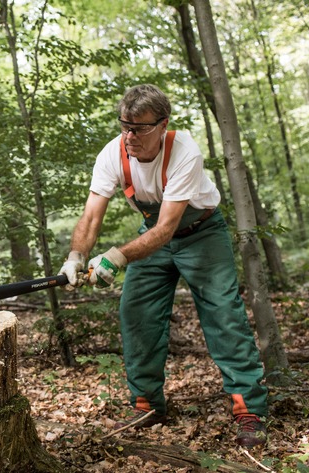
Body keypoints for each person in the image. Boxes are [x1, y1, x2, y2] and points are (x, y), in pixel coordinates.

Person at [59, 84, 268, 447]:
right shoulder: (112, 154)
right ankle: (147, 404)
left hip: (200, 233)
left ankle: (248, 409)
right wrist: (76, 256)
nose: (129, 136)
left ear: (162, 124)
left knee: (223, 315)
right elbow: (91, 217)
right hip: (151, 236)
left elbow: (167, 228)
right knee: (135, 312)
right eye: (124, 125)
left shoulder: (184, 152)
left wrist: (117, 256)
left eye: (139, 128)